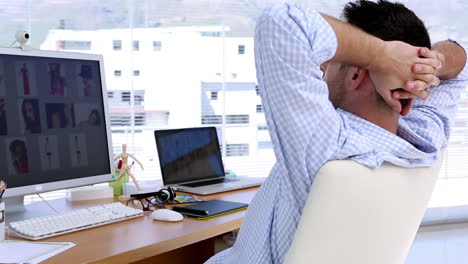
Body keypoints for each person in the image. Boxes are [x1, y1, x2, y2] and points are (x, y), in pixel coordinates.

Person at [206, 1, 468, 263]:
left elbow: (283, 20)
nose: (321, 68)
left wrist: (382, 56)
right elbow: (461, 62)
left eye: (329, 62)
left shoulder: (326, 141)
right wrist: (427, 64)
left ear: (356, 75)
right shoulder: (426, 137)